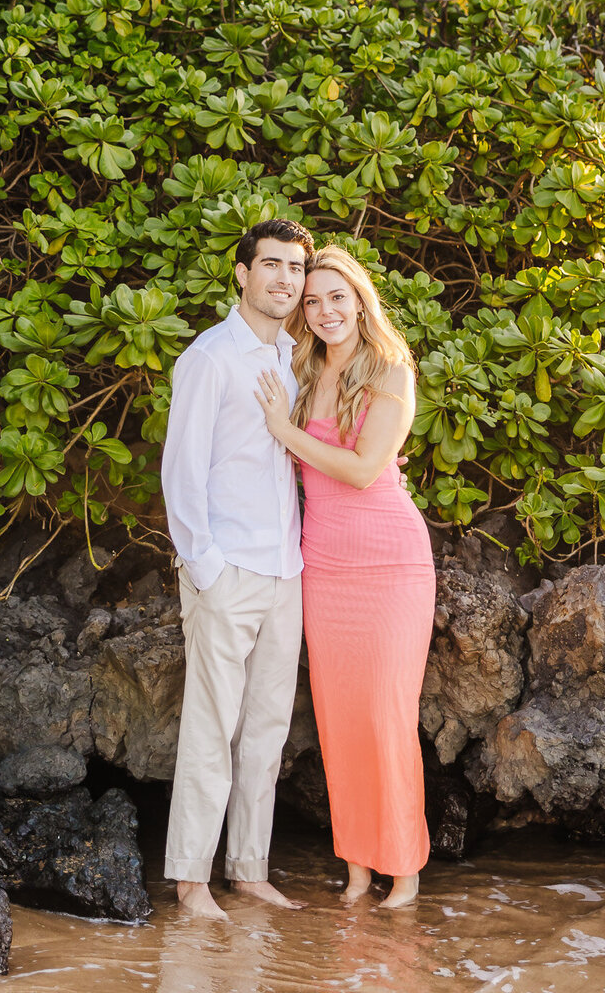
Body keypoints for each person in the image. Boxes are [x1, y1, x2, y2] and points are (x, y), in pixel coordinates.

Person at [253, 244, 435, 910]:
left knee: (386, 717)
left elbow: (361, 470)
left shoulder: (390, 371)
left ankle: (404, 869)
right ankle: (358, 865)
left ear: (360, 299)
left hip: (389, 564)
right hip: (323, 567)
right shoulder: (299, 367)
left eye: (337, 296)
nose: (325, 310)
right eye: (313, 300)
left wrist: (282, 428)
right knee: (339, 720)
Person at [161, 216, 315, 919]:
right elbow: (181, 473)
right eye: (273, 265)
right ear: (242, 272)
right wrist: (206, 567)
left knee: (265, 732)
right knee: (211, 729)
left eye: (296, 268)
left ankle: (248, 869)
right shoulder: (210, 357)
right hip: (228, 573)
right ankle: (192, 881)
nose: (286, 279)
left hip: (287, 571)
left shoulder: (292, 357)